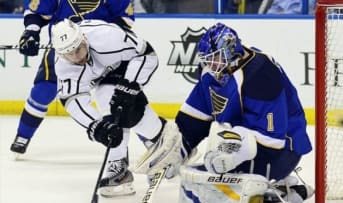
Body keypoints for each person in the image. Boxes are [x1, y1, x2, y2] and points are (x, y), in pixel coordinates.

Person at [135, 22, 314, 202]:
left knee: (215, 185)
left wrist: (234, 152)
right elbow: (193, 120)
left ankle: (278, 190)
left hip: (282, 151)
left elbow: (272, 140)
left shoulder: (261, 74)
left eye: (215, 58)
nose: (210, 64)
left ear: (230, 51)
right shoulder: (211, 73)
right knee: (202, 175)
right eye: (207, 59)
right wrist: (177, 151)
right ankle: (284, 189)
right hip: (241, 144)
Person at [50, 19, 166, 197]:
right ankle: (156, 144)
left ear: (84, 39)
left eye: (78, 49)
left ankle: (160, 142)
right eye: (69, 54)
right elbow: (73, 99)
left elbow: (147, 54)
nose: (77, 57)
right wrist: (96, 126)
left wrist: (130, 86)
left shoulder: (107, 37)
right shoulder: (63, 65)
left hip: (127, 63)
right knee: (111, 117)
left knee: (119, 105)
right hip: (105, 75)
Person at [11, 0, 134, 155]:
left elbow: (124, 19)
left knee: (117, 99)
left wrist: (103, 37)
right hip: (65, 51)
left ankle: (144, 141)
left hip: (101, 49)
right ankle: (22, 136)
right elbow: (38, 13)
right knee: (43, 90)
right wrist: (31, 32)